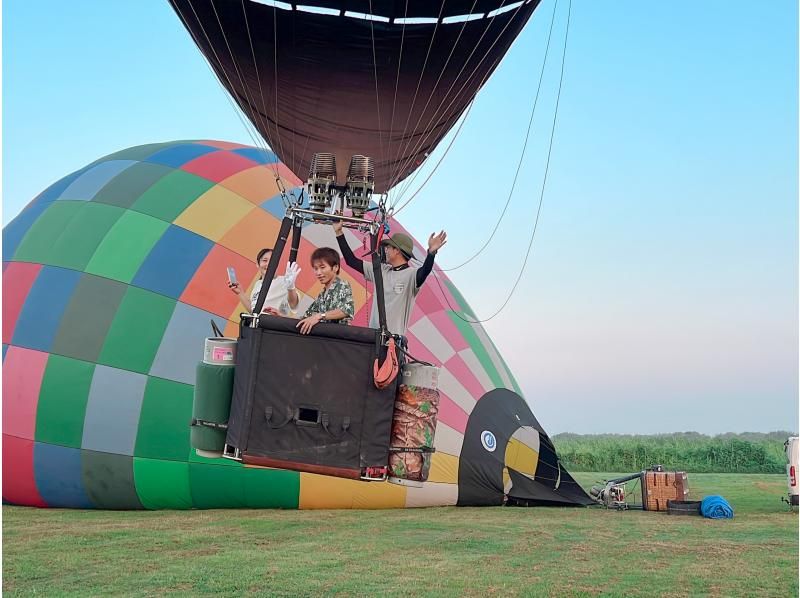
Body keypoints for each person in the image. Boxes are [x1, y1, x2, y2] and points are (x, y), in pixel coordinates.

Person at [333, 222, 447, 335]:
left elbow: (425, 270)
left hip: (394, 343)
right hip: (373, 338)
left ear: (397, 250)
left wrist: (431, 254)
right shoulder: (381, 270)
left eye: (388, 247)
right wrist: (339, 233)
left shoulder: (411, 275)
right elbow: (351, 261)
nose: (385, 250)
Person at [296, 247, 355, 335]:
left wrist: (320, 316)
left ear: (335, 267)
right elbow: (307, 318)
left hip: (339, 340)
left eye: (322, 267)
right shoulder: (321, 295)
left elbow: (346, 310)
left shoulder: (342, 285)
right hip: (325, 340)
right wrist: (282, 316)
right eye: (316, 269)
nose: (318, 273)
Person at [228, 248, 300, 315]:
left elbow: (293, 304)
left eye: (272, 261)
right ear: (257, 264)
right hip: (256, 326)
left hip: (273, 326)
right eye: (265, 260)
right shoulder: (257, 284)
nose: (268, 264)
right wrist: (240, 293)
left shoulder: (285, 280)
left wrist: (291, 287)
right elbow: (254, 311)